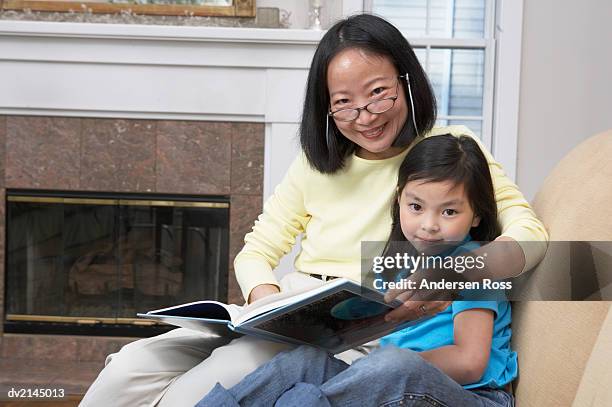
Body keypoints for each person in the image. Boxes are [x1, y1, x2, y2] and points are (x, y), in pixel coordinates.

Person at [80, 14, 546, 407]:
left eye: (379, 93)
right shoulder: (316, 165)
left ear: (406, 80)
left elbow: (530, 233)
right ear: (325, 109)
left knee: (219, 376)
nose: (365, 116)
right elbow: (257, 250)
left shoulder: (448, 155)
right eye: (343, 105)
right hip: (290, 308)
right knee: (130, 368)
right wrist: (265, 302)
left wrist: (454, 273)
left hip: (360, 323)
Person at [196, 134, 517, 407]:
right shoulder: (397, 262)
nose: (429, 225)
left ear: (476, 215)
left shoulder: (472, 263)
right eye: (416, 207)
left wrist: (380, 367)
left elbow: (470, 363)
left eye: (448, 211)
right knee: (303, 361)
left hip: (470, 395)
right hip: (393, 384)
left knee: (394, 363)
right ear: (399, 201)